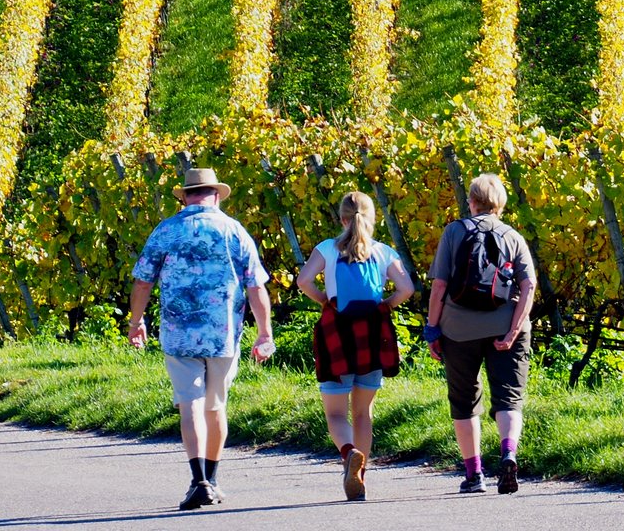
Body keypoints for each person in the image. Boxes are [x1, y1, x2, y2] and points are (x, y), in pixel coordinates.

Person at [127, 164, 274, 511]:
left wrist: (137, 322)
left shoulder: (167, 230)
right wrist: (264, 331)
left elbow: (143, 282)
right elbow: (256, 286)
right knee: (216, 405)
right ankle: (213, 478)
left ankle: (198, 481)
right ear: (216, 196)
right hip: (223, 333)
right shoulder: (234, 231)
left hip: (179, 334)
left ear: (186, 197)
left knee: (189, 403)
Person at [295, 191, 416, 501]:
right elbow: (407, 288)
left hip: (337, 328)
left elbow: (303, 281)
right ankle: (360, 475)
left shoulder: (327, 249)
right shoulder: (383, 252)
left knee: (336, 414)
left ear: (341, 219)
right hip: (371, 330)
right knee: (363, 413)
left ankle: (349, 453)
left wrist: (323, 299)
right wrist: (385, 305)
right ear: (371, 218)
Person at [424, 173, 536, 495]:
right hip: (505, 326)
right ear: (500, 203)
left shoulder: (454, 232)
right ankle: (508, 453)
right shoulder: (513, 236)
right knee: (509, 398)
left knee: (464, 401)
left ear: (472, 201)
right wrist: (514, 330)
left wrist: (433, 329)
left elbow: (440, 286)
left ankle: (474, 475)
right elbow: (528, 286)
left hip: (458, 330)